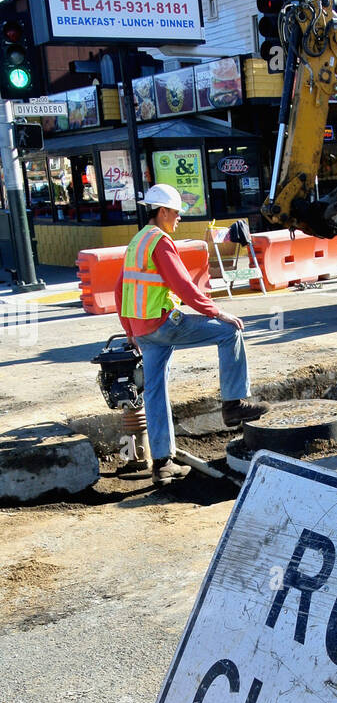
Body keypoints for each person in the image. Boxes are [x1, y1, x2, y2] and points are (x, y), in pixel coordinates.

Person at [114, 184, 265, 485]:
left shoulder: (136, 242)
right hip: (163, 323)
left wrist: (128, 329)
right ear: (164, 211)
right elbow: (184, 286)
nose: (180, 218)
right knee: (228, 333)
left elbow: (121, 288)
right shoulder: (160, 241)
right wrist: (217, 313)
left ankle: (162, 464)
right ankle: (233, 405)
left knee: (155, 392)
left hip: (144, 331)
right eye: (177, 213)